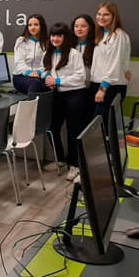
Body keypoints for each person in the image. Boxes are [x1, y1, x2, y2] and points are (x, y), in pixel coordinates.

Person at [40, 23, 87, 181]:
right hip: (57, 95)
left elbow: (81, 76)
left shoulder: (73, 54)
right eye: (53, 35)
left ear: (65, 37)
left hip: (75, 95)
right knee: (52, 128)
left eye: (59, 35)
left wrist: (58, 80)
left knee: (73, 131)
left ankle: (75, 165)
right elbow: (44, 70)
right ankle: (60, 159)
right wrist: (47, 78)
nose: (55, 38)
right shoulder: (49, 52)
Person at [90, 2, 131, 121]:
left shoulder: (118, 35)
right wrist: (126, 69)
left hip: (109, 87)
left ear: (114, 16)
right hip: (101, 85)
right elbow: (122, 60)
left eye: (106, 14)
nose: (101, 17)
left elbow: (114, 63)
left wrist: (103, 89)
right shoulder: (103, 34)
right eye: (99, 14)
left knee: (101, 128)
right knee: (102, 128)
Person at [12, 14, 49, 94]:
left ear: (41, 26)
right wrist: (29, 73)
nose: (32, 27)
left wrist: (39, 72)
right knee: (35, 83)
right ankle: (31, 106)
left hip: (39, 75)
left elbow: (47, 63)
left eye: (36, 25)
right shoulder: (21, 41)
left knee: (50, 84)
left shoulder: (47, 42)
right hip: (21, 76)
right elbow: (19, 62)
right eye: (30, 25)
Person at [71, 14, 96, 120]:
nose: (79, 29)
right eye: (76, 26)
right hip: (73, 89)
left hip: (90, 88)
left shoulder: (96, 45)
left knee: (88, 119)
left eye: (83, 26)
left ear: (90, 27)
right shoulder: (69, 45)